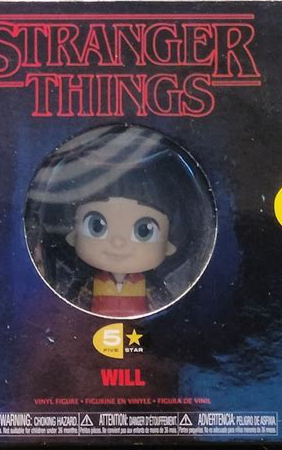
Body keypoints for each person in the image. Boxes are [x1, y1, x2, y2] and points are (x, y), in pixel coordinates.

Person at [25, 124, 215, 318]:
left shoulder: (150, 287)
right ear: (73, 234)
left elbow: (165, 304)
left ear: (169, 244)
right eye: (96, 226)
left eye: (144, 230)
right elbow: (70, 304)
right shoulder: (88, 285)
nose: (118, 242)